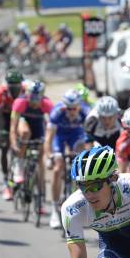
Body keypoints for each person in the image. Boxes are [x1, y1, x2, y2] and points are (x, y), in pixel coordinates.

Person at [45, 89, 89, 228]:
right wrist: (50, 155)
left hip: (76, 136)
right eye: (68, 108)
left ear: (79, 106)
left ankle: (79, 200)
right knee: (57, 169)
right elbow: (48, 138)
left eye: (74, 108)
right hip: (59, 137)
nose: (71, 111)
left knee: (82, 164)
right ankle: (54, 209)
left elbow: (90, 139)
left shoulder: (85, 113)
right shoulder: (57, 113)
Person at [10, 80, 53, 186]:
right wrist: (14, 143)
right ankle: (19, 166)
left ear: (42, 96)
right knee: (25, 133)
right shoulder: (20, 102)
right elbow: (13, 128)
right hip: (24, 122)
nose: (34, 102)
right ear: (27, 94)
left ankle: (41, 185)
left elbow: (53, 127)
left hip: (38, 125)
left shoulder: (47, 104)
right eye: (31, 97)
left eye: (37, 98)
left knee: (40, 154)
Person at [0, 70, 24, 200]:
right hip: (5, 117)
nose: (14, 86)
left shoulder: (25, 91)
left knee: (23, 141)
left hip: (20, 116)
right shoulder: (1, 92)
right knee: (5, 147)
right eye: (11, 83)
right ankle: (6, 179)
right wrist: (0, 134)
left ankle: (21, 169)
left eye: (17, 83)